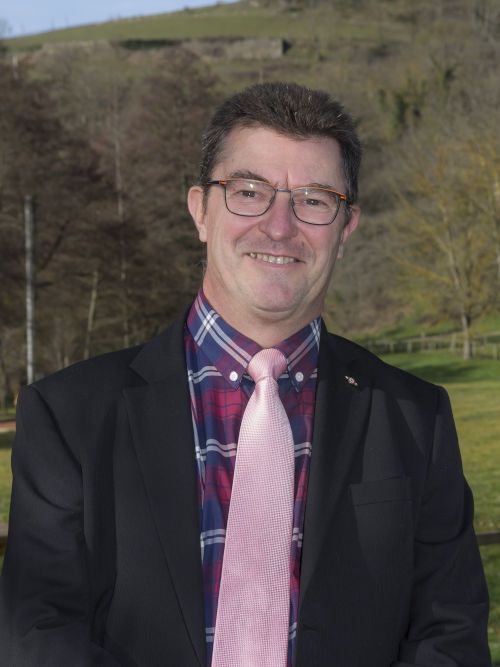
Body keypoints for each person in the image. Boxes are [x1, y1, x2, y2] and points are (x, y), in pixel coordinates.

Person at [1, 82, 490, 666]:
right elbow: (39, 633)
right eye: (249, 192)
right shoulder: (69, 416)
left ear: (346, 228)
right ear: (200, 210)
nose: (279, 226)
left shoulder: (415, 419)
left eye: (314, 199)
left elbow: (450, 637)